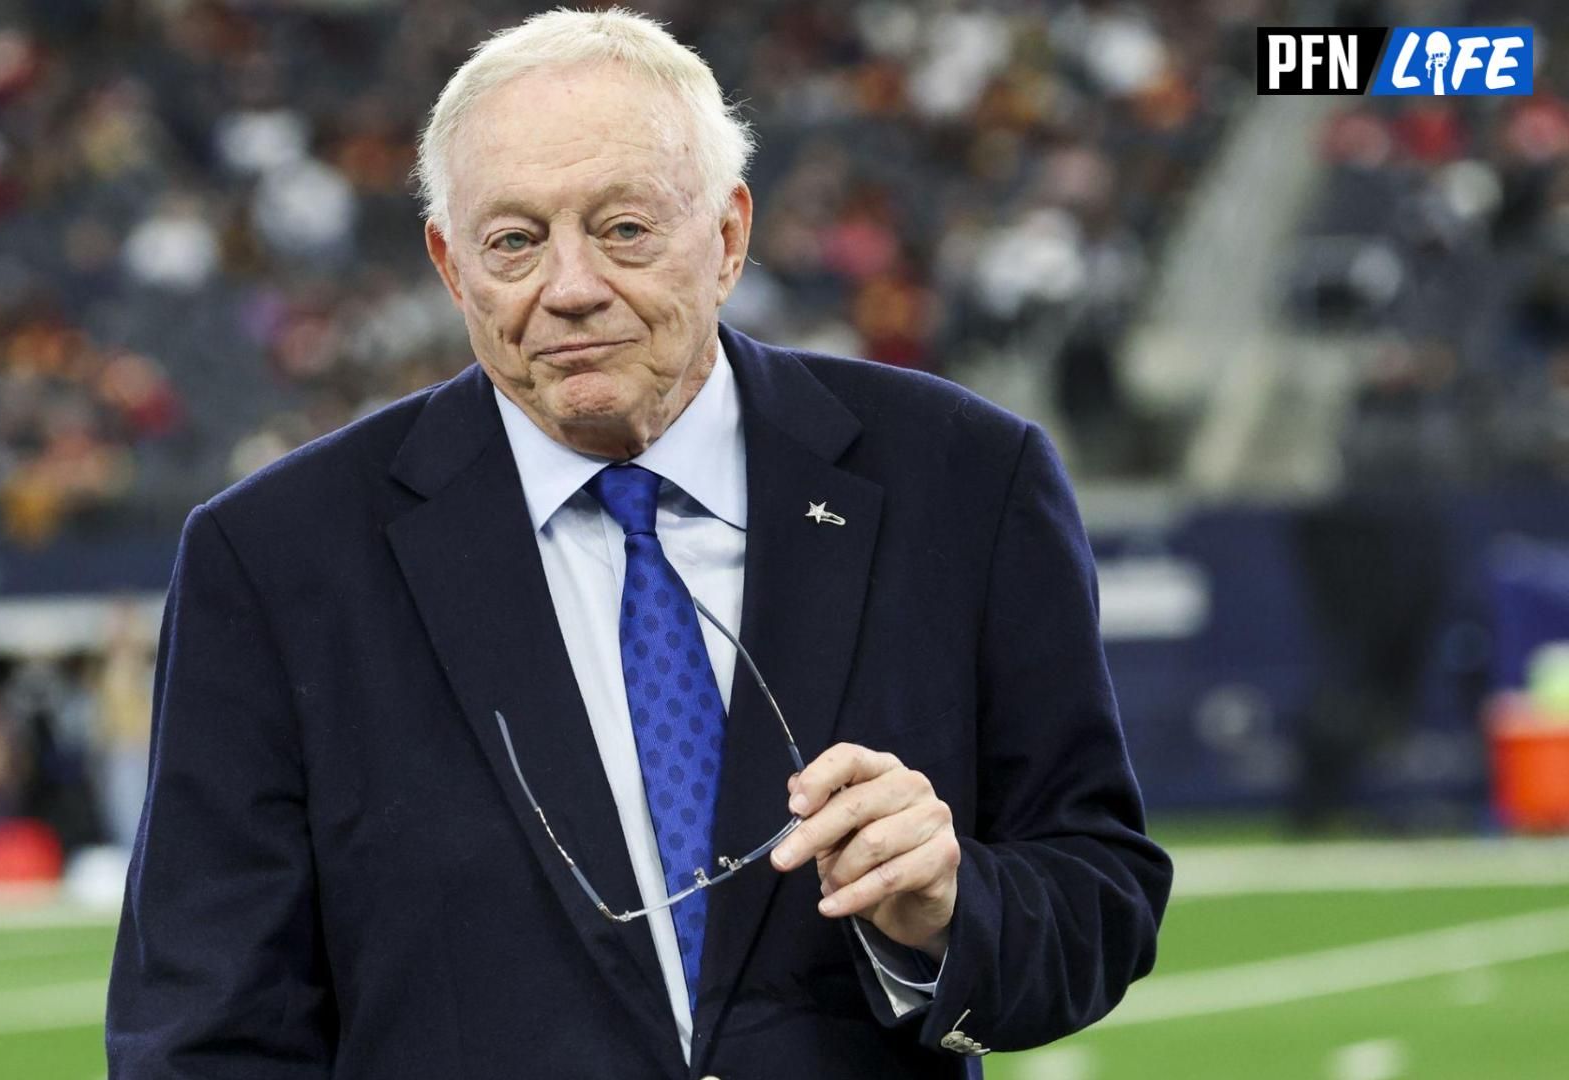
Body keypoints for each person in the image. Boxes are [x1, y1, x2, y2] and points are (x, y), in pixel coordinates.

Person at [105, 10, 1170, 1078]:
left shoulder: (964, 483)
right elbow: (204, 1033)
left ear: (729, 234)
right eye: (514, 241)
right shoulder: (276, 560)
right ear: (449, 264)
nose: (570, 288)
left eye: (624, 228)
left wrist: (950, 907)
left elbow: (1100, 899)